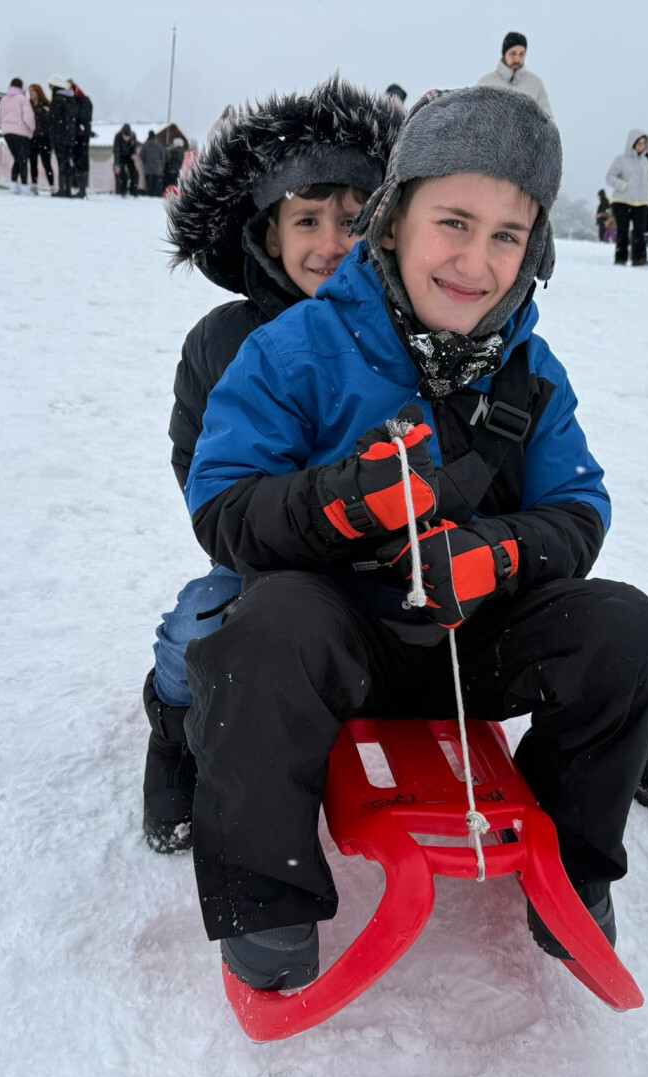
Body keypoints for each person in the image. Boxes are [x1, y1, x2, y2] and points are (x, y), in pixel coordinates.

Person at [181, 86, 648, 990]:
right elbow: (224, 504)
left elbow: (577, 511)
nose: (476, 260)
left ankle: (571, 865)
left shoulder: (531, 373)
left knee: (632, 636)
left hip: (472, 638)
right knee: (259, 634)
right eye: (454, 222)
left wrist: (498, 553)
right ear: (393, 221)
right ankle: (265, 894)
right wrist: (341, 503)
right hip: (339, 632)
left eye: (506, 234)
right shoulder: (294, 349)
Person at [145, 77, 405, 856]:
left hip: (392, 564)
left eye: (354, 222)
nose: (332, 243)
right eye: (308, 220)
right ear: (268, 234)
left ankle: (608, 731)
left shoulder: (407, 330)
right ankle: (175, 738)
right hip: (266, 562)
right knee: (197, 628)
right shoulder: (221, 342)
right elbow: (201, 471)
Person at [605, 129, 648, 266]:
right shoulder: (620, 160)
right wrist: (623, 186)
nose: (641, 146)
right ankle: (621, 258)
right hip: (622, 201)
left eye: (644, 143)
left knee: (639, 231)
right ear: (632, 143)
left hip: (641, 201)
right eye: (639, 143)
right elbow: (609, 177)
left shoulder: (645, 161)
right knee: (623, 230)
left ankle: (639, 259)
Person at [476, 32, 552, 118]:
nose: (517, 58)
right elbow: (475, 119)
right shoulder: (485, 83)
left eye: (521, 54)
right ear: (504, 53)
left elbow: (548, 121)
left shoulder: (535, 83)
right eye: (513, 53)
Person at [0, 77, 34, 194]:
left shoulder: (4, 99)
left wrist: (4, 126)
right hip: (21, 132)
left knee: (17, 158)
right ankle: (24, 185)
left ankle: (13, 184)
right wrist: (31, 130)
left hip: (7, 132)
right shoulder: (22, 99)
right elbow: (28, 117)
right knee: (22, 159)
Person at [47, 75, 78, 197]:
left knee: (61, 163)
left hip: (59, 137)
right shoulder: (71, 99)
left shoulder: (57, 99)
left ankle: (62, 189)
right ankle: (68, 189)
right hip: (69, 137)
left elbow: (53, 120)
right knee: (67, 162)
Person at [28, 83, 53, 194]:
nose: (31, 95)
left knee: (46, 163)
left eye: (33, 92)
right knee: (33, 162)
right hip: (32, 137)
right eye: (30, 93)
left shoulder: (46, 106)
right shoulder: (28, 105)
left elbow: (49, 122)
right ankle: (34, 185)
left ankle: (52, 185)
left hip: (44, 138)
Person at [71, 79, 93, 197]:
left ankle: (82, 189)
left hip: (81, 137)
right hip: (77, 136)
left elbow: (83, 118)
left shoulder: (84, 101)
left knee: (81, 161)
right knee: (77, 161)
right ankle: (80, 187)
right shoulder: (80, 101)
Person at [113, 122, 139, 196]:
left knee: (135, 173)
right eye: (125, 136)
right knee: (121, 174)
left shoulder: (133, 135)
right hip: (120, 156)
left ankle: (133, 192)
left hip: (129, 156)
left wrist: (134, 154)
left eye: (128, 137)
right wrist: (117, 166)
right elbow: (116, 152)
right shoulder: (117, 136)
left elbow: (134, 147)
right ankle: (121, 191)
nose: (127, 139)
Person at [140, 129, 165, 197]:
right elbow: (163, 156)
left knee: (149, 186)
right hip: (158, 169)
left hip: (148, 169)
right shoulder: (159, 144)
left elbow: (141, 155)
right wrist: (161, 165)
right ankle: (156, 197)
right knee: (157, 187)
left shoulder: (146, 145)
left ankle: (149, 196)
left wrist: (146, 163)